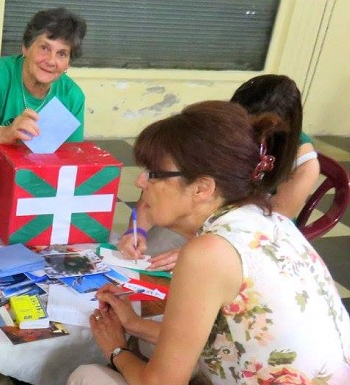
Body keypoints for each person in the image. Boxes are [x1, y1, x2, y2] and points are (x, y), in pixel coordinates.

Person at [66, 101, 350, 385]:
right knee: (148, 344)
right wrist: (132, 325)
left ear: (202, 187)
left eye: (154, 174)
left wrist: (114, 349)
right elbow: (230, 340)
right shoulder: (271, 222)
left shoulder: (208, 252)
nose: (142, 183)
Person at [118, 74, 321, 271]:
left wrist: (196, 251)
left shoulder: (304, 166)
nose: (243, 134)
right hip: (206, 223)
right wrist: (136, 231)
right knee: (139, 259)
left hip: (234, 237)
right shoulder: (217, 139)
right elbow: (155, 188)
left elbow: (268, 221)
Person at [0, 7, 87, 203]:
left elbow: (70, 157)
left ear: (68, 62)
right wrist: (6, 133)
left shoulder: (72, 96)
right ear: (26, 47)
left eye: (62, 54)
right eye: (44, 48)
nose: (51, 61)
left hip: (32, 170)